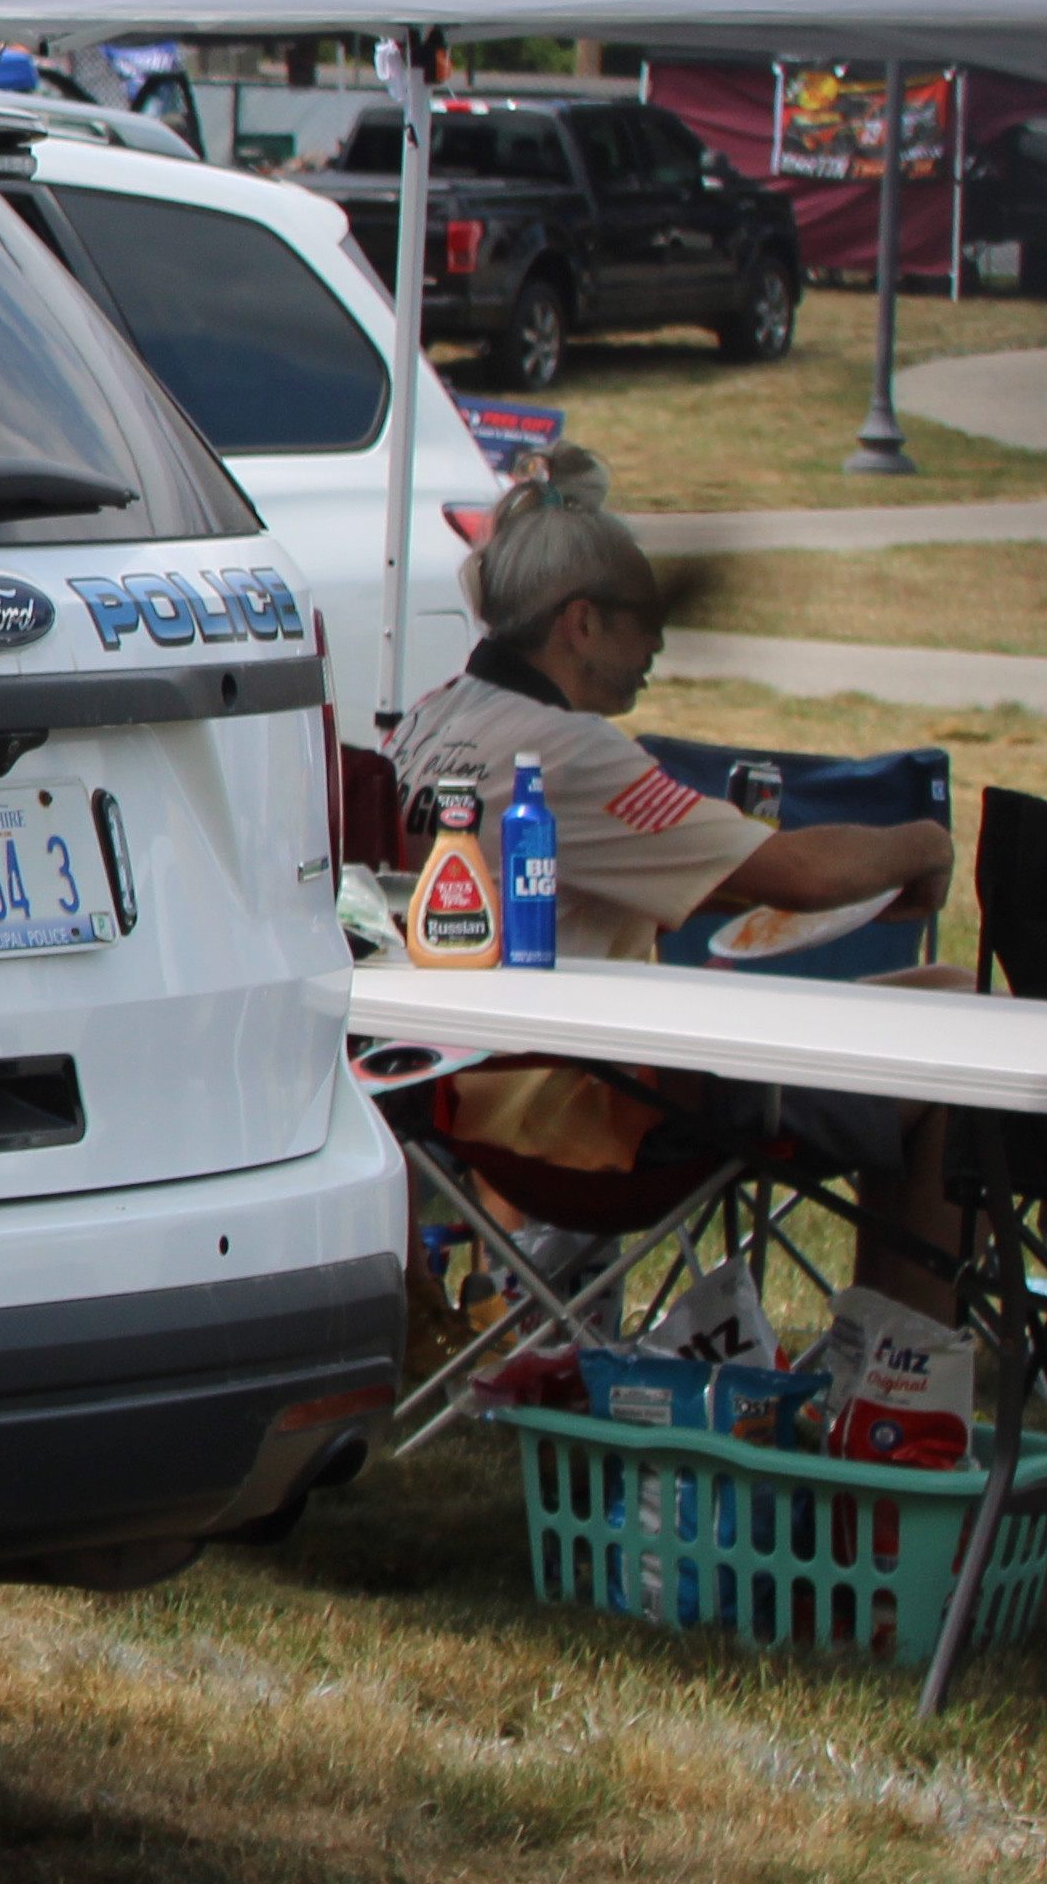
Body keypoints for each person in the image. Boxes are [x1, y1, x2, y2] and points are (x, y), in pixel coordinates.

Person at [393, 480, 969, 1308]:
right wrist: (926, 842)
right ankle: (894, 1373)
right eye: (645, 617)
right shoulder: (570, 753)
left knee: (941, 994)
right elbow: (802, 875)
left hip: (457, 1097)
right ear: (581, 622)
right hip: (595, 1118)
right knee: (955, 1042)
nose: (661, 640)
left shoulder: (429, 718)